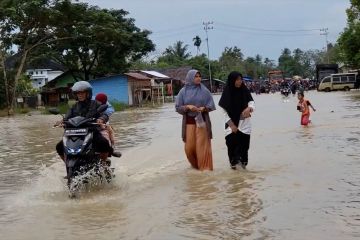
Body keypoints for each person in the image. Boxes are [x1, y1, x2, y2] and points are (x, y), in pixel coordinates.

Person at [55, 81, 112, 163]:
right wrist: (61, 122)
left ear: (88, 93)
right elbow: (66, 118)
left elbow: (105, 114)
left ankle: (103, 164)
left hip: (91, 131)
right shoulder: (74, 107)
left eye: (82, 92)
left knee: (104, 143)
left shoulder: (95, 104)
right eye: (78, 93)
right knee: (59, 147)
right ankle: (67, 165)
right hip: (74, 133)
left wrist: (101, 119)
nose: (80, 95)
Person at [175, 69, 216, 171]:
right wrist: (188, 107)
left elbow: (211, 105)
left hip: (202, 122)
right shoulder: (183, 92)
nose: (198, 78)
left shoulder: (204, 90)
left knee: (202, 149)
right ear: (190, 78)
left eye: (199, 76)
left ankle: (205, 172)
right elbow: (178, 107)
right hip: (189, 123)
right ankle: (196, 167)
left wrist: (204, 108)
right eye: (196, 76)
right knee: (189, 149)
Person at [219, 71, 255, 170]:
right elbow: (224, 113)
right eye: (237, 79)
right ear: (232, 80)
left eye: (241, 79)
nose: (240, 81)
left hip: (245, 126)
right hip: (231, 128)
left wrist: (249, 108)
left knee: (244, 152)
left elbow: (251, 102)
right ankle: (235, 180)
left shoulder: (244, 90)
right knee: (233, 153)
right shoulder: (227, 94)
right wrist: (232, 125)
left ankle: (242, 180)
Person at [94, 93, 121, 158]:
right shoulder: (90, 102)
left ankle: (112, 149)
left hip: (103, 122)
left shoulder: (107, 106)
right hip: (90, 122)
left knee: (110, 131)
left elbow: (110, 110)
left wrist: (102, 119)